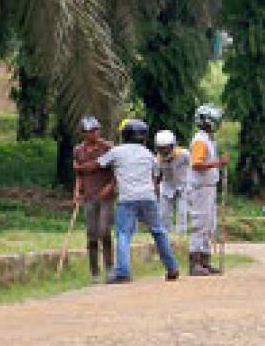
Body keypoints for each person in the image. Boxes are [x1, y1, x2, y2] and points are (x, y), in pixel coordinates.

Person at [77, 119, 180, 284]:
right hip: (148, 197)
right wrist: (150, 187)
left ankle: (123, 272)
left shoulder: (117, 152)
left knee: (123, 234)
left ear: (124, 135)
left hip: (127, 199)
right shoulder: (148, 154)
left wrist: (79, 168)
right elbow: (157, 175)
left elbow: (96, 165)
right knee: (158, 231)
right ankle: (172, 268)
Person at [72, 116, 115, 283]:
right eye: (89, 132)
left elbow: (115, 172)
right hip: (89, 195)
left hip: (105, 195)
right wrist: (77, 192)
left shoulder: (108, 148)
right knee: (91, 234)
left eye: (95, 131)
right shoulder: (78, 150)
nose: (92, 134)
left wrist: (110, 187)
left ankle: (110, 268)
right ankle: (94, 272)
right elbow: (79, 175)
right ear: (83, 134)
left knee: (105, 230)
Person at [189, 104, 230, 276]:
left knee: (210, 225)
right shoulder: (200, 141)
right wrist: (218, 163)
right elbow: (197, 164)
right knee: (200, 224)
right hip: (200, 188)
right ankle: (195, 263)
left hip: (209, 186)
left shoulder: (208, 139)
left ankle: (205, 261)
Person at [154, 130, 191, 236]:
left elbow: (193, 168)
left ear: (172, 145)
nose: (164, 150)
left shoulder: (184, 154)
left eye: (166, 147)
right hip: (166, 187)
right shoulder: (157, 159)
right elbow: (157, 177)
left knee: (182, 213)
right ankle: (166, 237)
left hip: (183, 186)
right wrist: (155, 190)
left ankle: (181, 236)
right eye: (161, 148)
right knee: (164, 215)